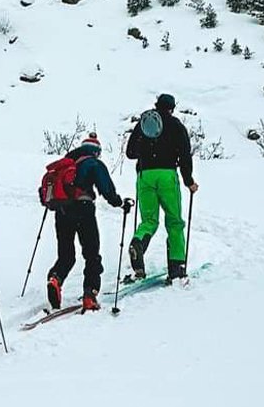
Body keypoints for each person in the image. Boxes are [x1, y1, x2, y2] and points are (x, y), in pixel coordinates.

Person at [45, 133, 125, 312]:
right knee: (91, 254)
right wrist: (119, 202)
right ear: (96, 151)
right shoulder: (93, 163)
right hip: (84, 210)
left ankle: (55, 279)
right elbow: (107, 189)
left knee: (66, 255)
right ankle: (90, 295)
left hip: (62, 211)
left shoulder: (65, 164)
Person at [125, 93, 199, 283]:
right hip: (167, 175)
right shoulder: (176, 125)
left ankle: (138, 243)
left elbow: (130, 153)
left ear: (156, 105)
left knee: (149, 220)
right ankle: (176, 268)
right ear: (172, 108)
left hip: (145, 176)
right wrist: (188, 180)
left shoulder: (144, 123)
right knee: (174, 222)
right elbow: (184, 155)